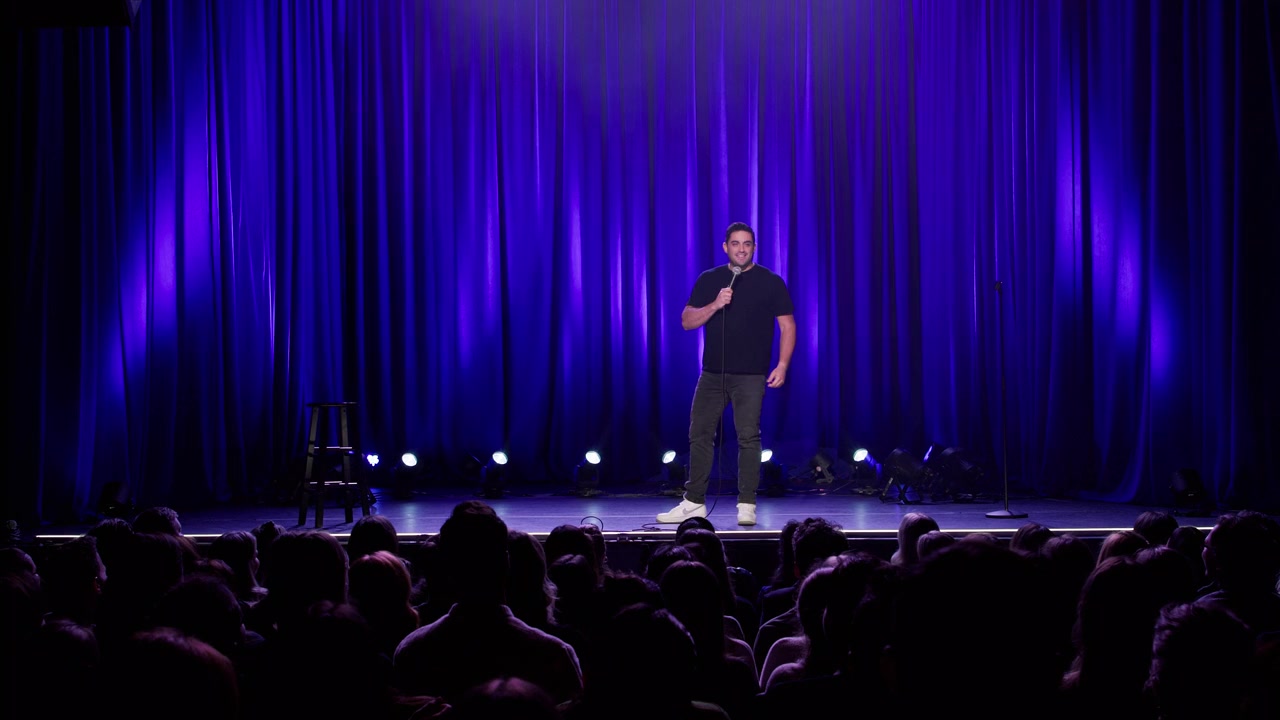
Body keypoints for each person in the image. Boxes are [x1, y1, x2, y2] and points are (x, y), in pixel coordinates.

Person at [658, 221, 795, 527]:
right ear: (725, 247)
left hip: (751, 375)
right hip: (712, 374)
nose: (741, 249)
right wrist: (715, 304)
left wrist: (783, 365)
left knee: (748, 437)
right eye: (735, 243)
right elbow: (687, 321)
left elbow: (787, 325)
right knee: (699, 433)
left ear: (754, 248)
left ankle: (747, 504)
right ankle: (694, 502)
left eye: (747, 244)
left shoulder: (771, 282)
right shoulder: (710, 279)